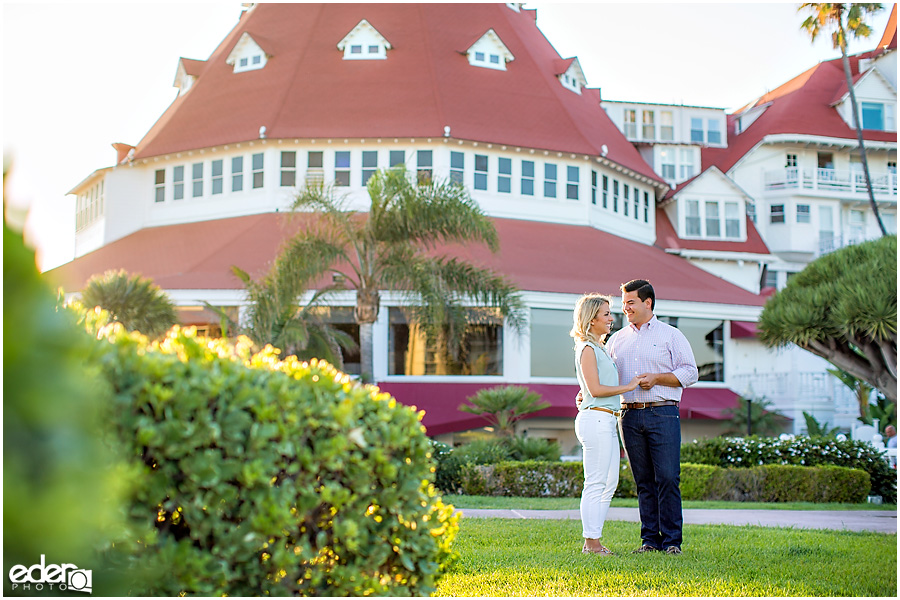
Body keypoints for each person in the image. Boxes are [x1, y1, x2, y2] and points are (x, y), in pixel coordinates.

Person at [606, 279, 698, 556]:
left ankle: (672, 542)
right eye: (623, 304)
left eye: (630, 302)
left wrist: (658, 378)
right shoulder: (617, 339)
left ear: (648, 302)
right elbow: (606, 377)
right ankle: (649, 541)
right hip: (629, 416)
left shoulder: (671, 335)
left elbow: (690, 373)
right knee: (643, 481)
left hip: (663, 412)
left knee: (668, 477)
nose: (626, 308)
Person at [570, 294, 640, 556]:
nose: (612, 318)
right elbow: (597, 389)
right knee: (596, 482)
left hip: (607, 419)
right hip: (596, 419)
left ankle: (594, 540)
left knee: (609, 483)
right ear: (591, 319)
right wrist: (629, 386)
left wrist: (583, 393)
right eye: (606, 314)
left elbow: (588, 388)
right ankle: (591, 543)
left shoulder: (599, 348)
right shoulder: (586, 348)